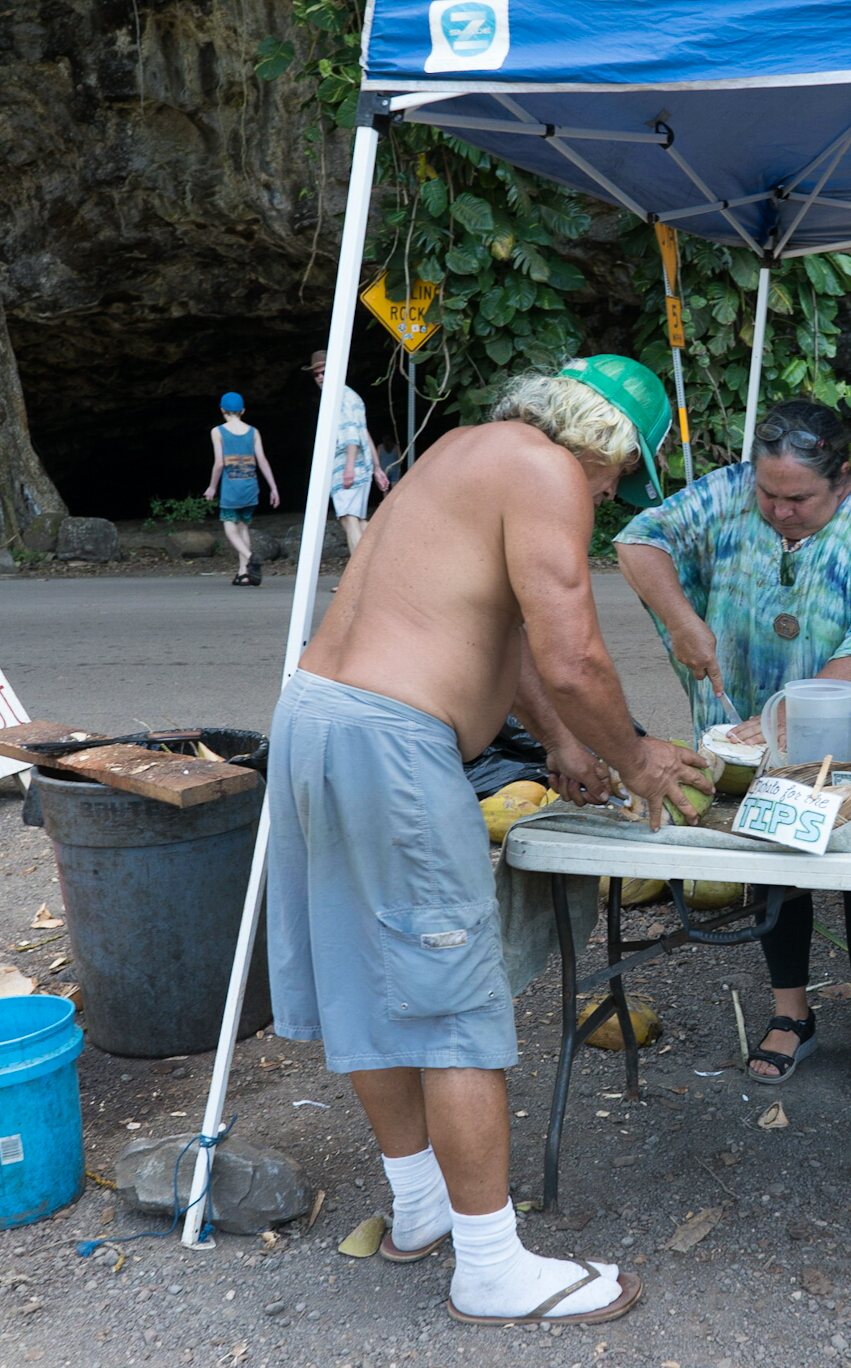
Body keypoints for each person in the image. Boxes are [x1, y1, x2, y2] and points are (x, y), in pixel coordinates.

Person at [267, 355, 713, 1328]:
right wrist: (633, 754)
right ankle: (489, 1265)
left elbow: (490, 636)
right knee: (450, 1003)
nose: (608, 494)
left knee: (368, 978)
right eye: (618, 475)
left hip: (314, 717)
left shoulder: (464, 454)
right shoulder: (548, 472)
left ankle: (420, 1206)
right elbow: (572, 650)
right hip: (391, 742)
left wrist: (558, 738)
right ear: (604, 440)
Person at [614, 398, 851, 1097]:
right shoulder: (735, 488)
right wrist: (680, 622)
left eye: (798, 498)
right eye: (768, 493)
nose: (778, 510)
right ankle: (791, 1010)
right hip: (749, 716)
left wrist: (793, 707)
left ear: (842, 479)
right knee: (774, 852)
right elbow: (638, 541)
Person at [310, 350, 390, 552]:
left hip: (348, 466)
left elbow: (352, 435)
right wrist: (377, 468)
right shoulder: (349, 396)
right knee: (358, 520)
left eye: (324, 372)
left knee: (348, 518)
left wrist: (349, 469)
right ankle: (377, 567)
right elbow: (364, 432)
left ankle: (357, 580)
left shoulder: (340, 397)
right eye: (316, 374)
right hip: (360, 465)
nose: (320, 377)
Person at [203, 391, 280, 586]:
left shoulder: (218, 431)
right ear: (243, 411)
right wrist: (273, 488)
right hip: (250, 486)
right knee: (243, 526)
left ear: (222, 410)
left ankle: (250, 556)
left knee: (230, 529)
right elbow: (261, 460)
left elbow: (219, 463)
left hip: (231, 488)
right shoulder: (254, 431)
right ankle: (244, 573)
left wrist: (212, 487)